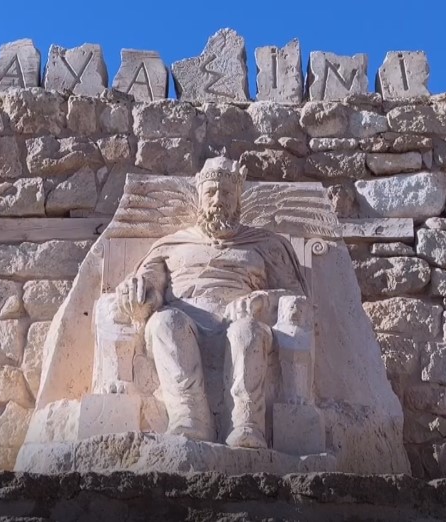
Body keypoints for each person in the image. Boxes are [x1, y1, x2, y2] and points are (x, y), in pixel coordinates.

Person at [112, 156, 307, 449]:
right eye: (211, 192)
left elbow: (296, 298)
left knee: (247, 331)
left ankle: (245, 425)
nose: (218, 199)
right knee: (166, 321)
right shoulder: (171, 245)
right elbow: (147, 289)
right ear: (199, 198)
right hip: (183, 323)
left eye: (226, 193)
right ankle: (189, 419)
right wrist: (135, 294)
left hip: (241, 321)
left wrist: (263, 299)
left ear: (237, 198)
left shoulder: (266, 245)